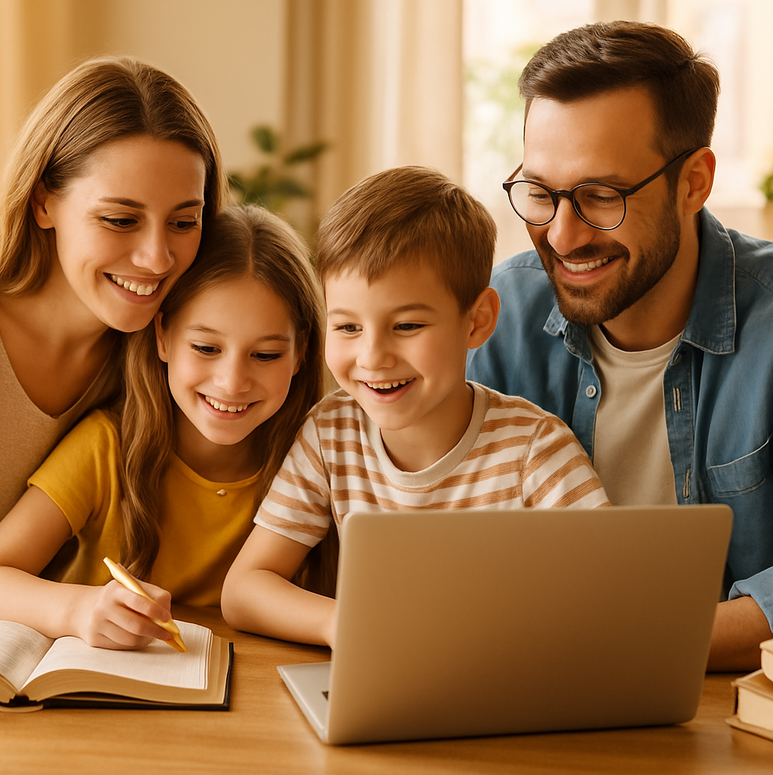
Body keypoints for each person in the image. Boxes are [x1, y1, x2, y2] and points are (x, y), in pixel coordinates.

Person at [465, 20, 773, 671]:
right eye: (541, 195)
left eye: (602, 197)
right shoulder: (494, 319)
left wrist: (620, 649)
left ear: (694, 181)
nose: (563, 236)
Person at [220, 166, 609, 647]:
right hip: (378, 682)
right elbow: (243, 590)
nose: (372, 357)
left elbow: (607, 598)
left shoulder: (535, 448)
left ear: (477, 321)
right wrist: (340, 623)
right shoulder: (330, 433)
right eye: (347, 328)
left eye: (406, 326)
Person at [0, 204, 324, 648]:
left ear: (300, 353)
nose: (232, 382)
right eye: (205, 347)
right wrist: (78, 610)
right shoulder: (106, 446)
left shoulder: (315, 462)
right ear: (162, 336)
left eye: (266, 355)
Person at [0, 55, 227, 551]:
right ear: (42, 202)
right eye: (119, 220)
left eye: (182, 223)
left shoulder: (168, 354)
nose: (157, 260)